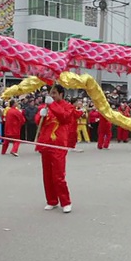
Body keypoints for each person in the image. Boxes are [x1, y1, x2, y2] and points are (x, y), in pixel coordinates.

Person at [35, 85, 75, 213]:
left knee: (58, 175)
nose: (52, 96)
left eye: (54, 93)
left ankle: (65, 201)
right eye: (50, 93)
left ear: (61, 94)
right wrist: (40, 115)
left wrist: (52, 105)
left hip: (58, 145)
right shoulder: (45, 106)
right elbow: (38, 122)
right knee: (47, 175)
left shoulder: (67, 106)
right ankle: (51, 200)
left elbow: (65, 118)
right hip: (45, 143)